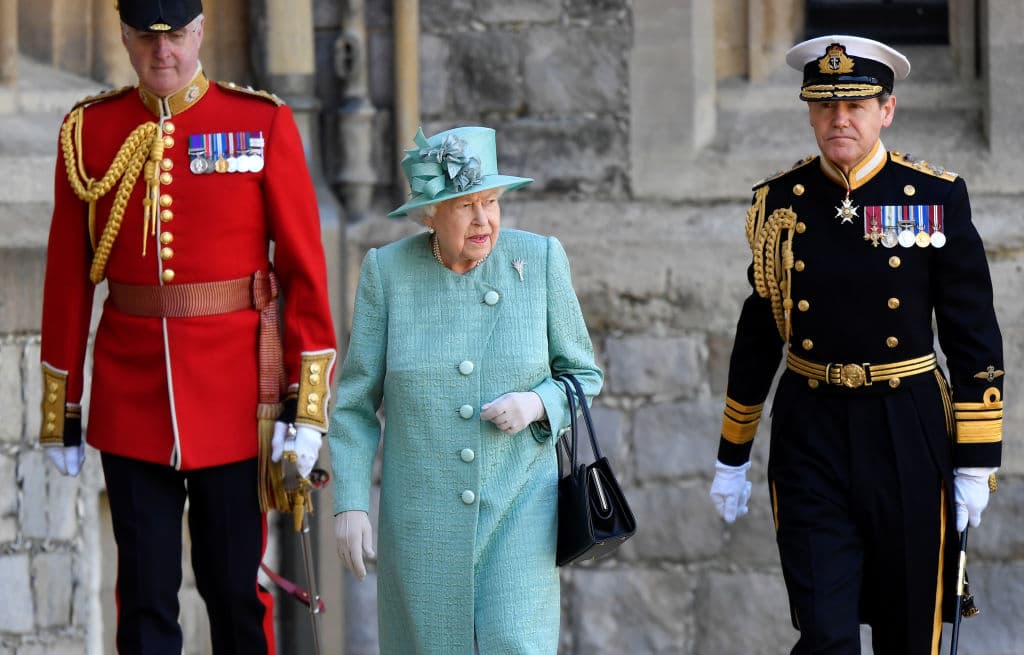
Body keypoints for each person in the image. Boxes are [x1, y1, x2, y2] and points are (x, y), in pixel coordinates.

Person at [38, 1, 337, 652]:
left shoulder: (259, 123)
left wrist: (306, 405)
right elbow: (67, 275)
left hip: (234, 402)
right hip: (131, 400)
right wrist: (62, 405)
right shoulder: (90, 131)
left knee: (234, 593)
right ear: (123, 36)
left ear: (199, 31)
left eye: (176, 35)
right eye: (147, 37)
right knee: (144, 601)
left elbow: (303, 273)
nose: (163, 51)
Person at [709, 35, 1003, 654]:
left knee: (908, 629)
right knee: (824, 634)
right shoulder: (778, 203)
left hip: (907, 424)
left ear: (886, 110)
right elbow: (760, 330)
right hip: (810, 428)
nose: (839, 119)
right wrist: (732, 453)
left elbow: (972, 331)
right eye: (824, 106)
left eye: (857, 106)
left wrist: (977, 459)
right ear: (810, 111)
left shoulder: (932, 198)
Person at [328, 125, 603, 653]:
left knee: (514, 643)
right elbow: (357, 405)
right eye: (466, 206)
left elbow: (584, 375)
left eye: (492, 202)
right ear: (430, 213)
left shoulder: (540, 260)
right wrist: (351, 505)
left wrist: (536, 403)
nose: (484, 221)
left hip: (521, 506)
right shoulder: (386, 274)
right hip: (422, 518)